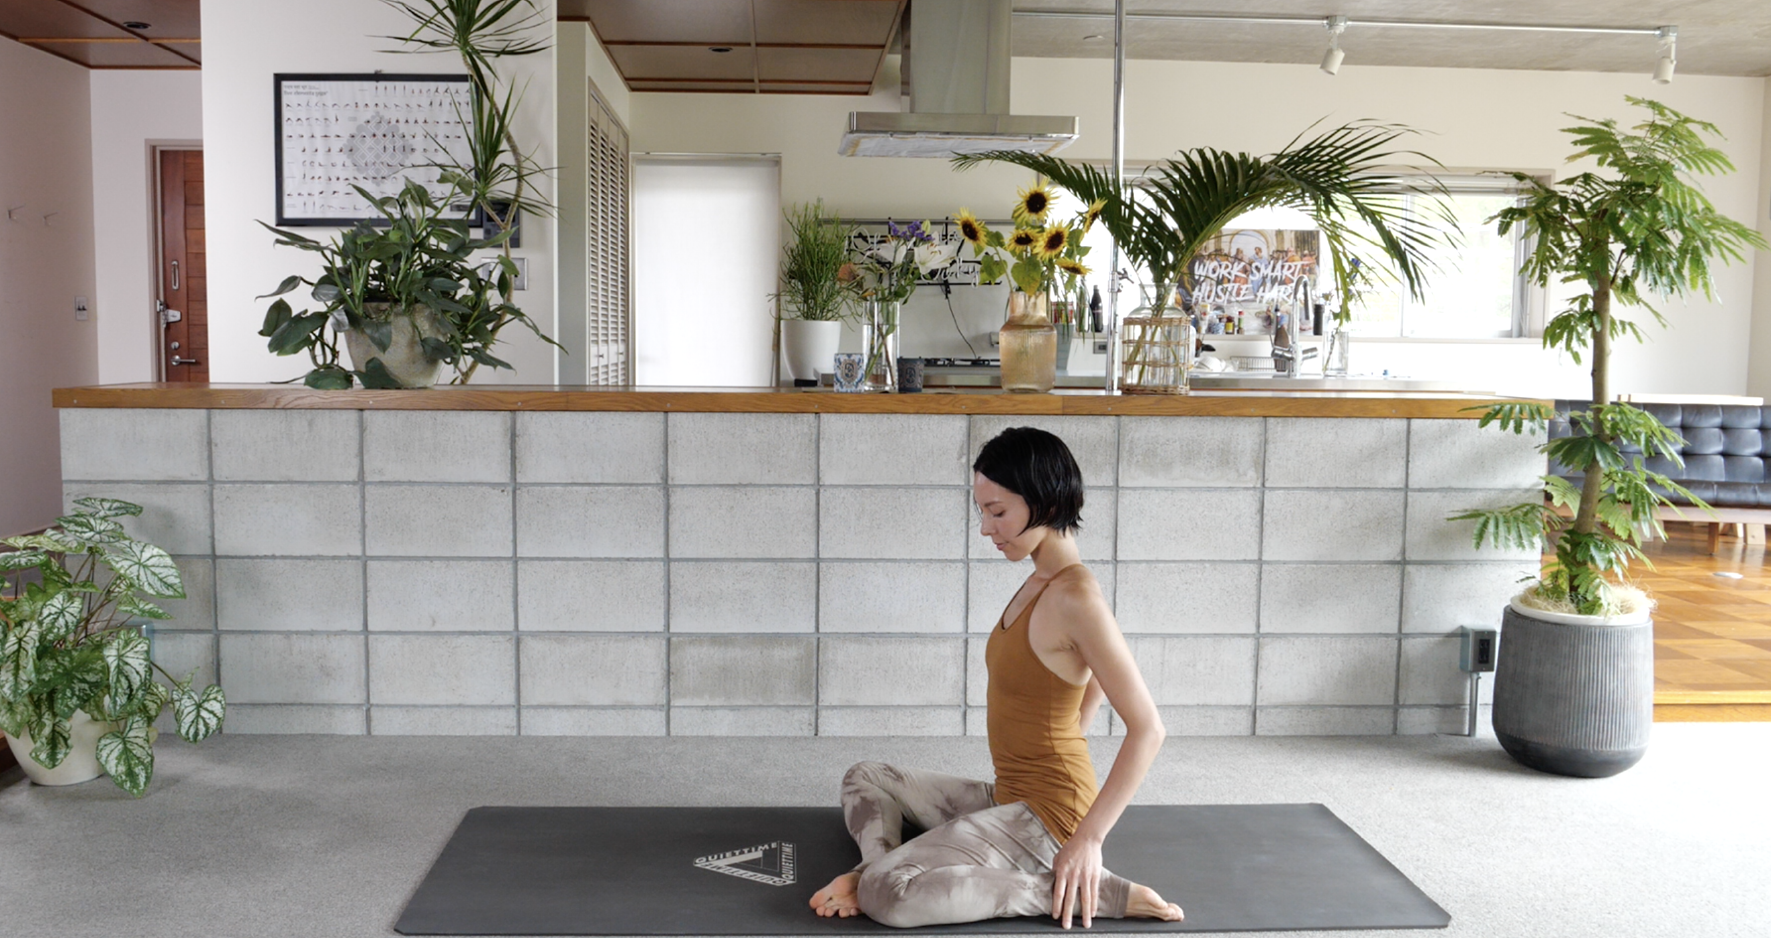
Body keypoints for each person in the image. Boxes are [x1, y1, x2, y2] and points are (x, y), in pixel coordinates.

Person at [809, 427, 1185, 929]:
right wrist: (1062, 736)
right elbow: (1095, 676)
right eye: (982, 512)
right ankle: (869, 869)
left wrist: (1088, 840)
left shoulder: (1076, 596)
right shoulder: (1039, 581)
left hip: (1050, 816)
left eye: (998, 512)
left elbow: (1149, 730)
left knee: (887, 895)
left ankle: (1079, 891)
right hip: (1011, 795)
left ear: (1047, 503)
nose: (986, 528)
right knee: (866, 777)